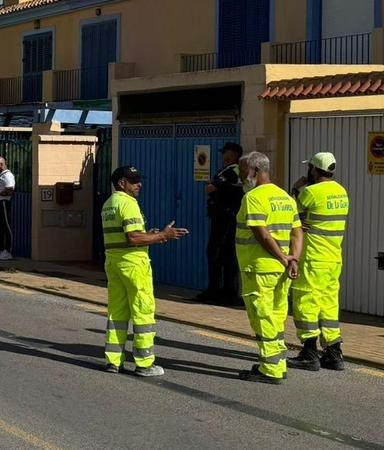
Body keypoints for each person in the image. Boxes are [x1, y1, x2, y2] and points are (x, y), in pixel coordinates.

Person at [100, 165, 188, 377]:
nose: (139, 184)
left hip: (114, 262)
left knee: (117, 313)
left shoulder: (109, 204)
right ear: (122, 184)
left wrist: (149, 235)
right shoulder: (128, 204)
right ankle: (144, 364)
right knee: (143, 312)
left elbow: (127, 236)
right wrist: (163, 235)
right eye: (134, 181)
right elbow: (133, 238)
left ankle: (113, 361)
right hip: (134, 265)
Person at [235, 151, 302, 385]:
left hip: (259, 269)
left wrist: (283, 258)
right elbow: (297, 233)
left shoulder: (253, 197)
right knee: (276, 317)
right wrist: (293, 259)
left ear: (255, 170)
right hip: (281, 271)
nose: (240, 175)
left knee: (262, 318)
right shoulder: (285, 197)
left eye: (243, 170)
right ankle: (278, 363)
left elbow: (262, 234)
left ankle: (270, 369)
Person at [290, 151, 350, 372]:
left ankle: (309, 353)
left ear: (313, 169)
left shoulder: (310, 192)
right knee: (328, 304)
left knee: (306, 301)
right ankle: (334, 353)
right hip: (333, 258)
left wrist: (295, 190)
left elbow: (290, 215)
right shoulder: (341, 192)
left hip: (312, 258)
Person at [198, 142, 245, 305]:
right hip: (227, 217)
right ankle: (223, 290)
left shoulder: (231, 171)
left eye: (225, 152)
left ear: (232, 155)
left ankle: (218, 291)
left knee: (216, 252)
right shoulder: (235, 171)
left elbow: (209, 189)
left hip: (225, 218)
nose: (222, 155)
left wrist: (211, 184)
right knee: (225, 254)